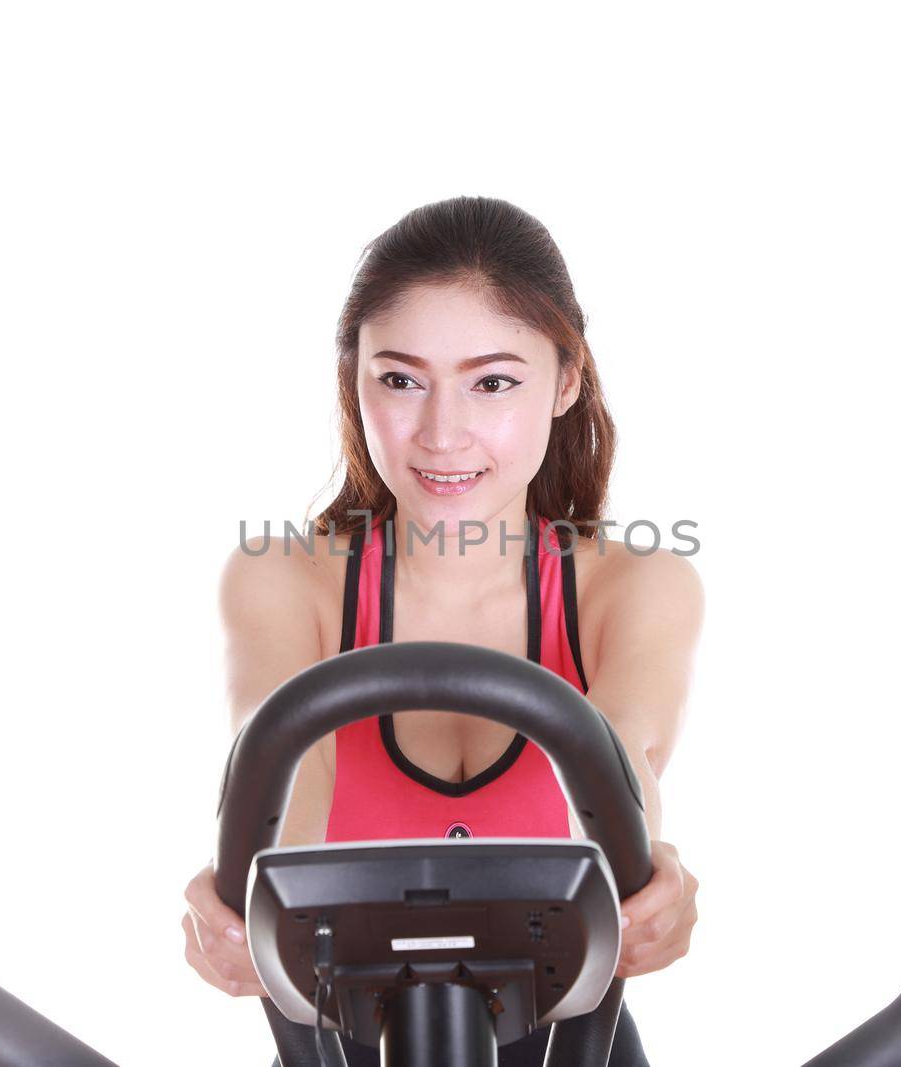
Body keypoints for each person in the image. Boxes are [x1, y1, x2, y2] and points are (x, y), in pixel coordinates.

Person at [182, 195, 704, 1065]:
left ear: (566, 380)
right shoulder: (283, 578)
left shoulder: (637, 583)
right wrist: (250, 893)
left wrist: (654, 886)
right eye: (400, 379)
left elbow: (624, 771)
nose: (441, 432)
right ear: (355, 379)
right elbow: (278, 773)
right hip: (342, 1041)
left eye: (492, 381)